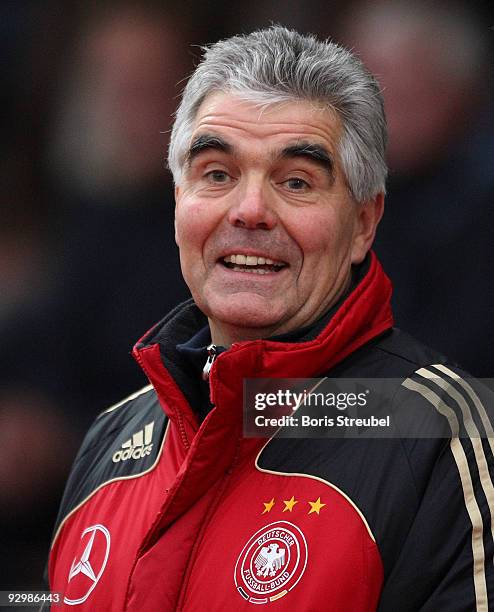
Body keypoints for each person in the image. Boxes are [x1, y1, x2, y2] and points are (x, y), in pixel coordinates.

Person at [45, 27, 494, 610]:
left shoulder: (442, 438)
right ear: (179, 201)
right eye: (217, 174)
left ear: (363, 222)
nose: (251, 210)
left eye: (296, 182)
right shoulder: (110, 440)